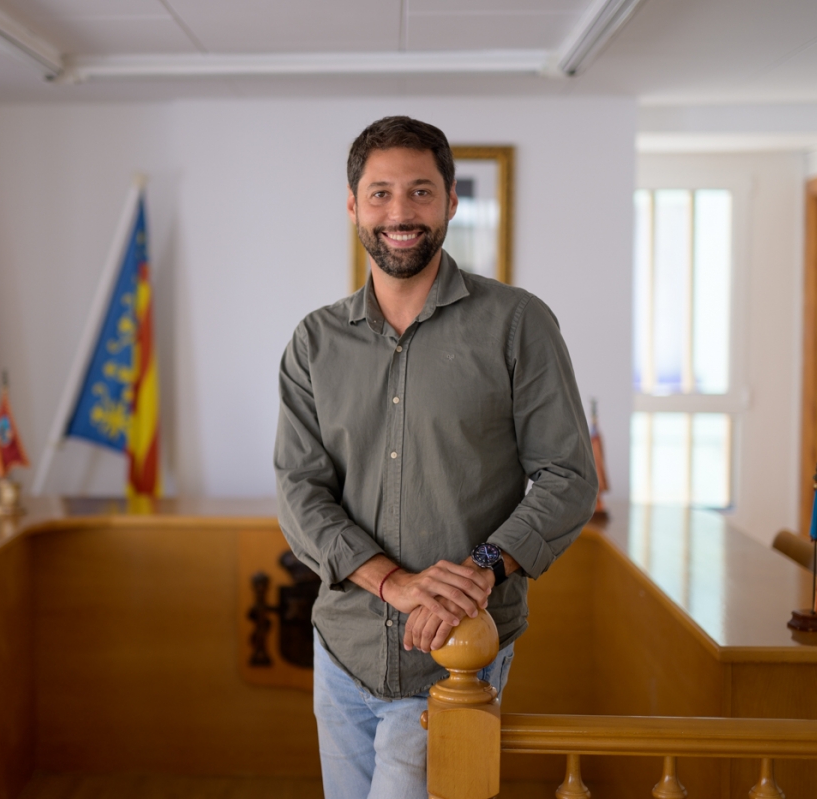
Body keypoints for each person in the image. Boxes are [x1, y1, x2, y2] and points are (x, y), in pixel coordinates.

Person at [274, 116, 598, 799]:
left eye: (420, 192)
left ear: (451, 201)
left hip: (458, 655)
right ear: (354, 205)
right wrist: (393, 582)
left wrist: (481, 569)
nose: (401, 212)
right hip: (342, 648)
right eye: (381, 192)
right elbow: (300, 490)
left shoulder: (517, 323)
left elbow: (568, 477)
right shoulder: (314, 341)